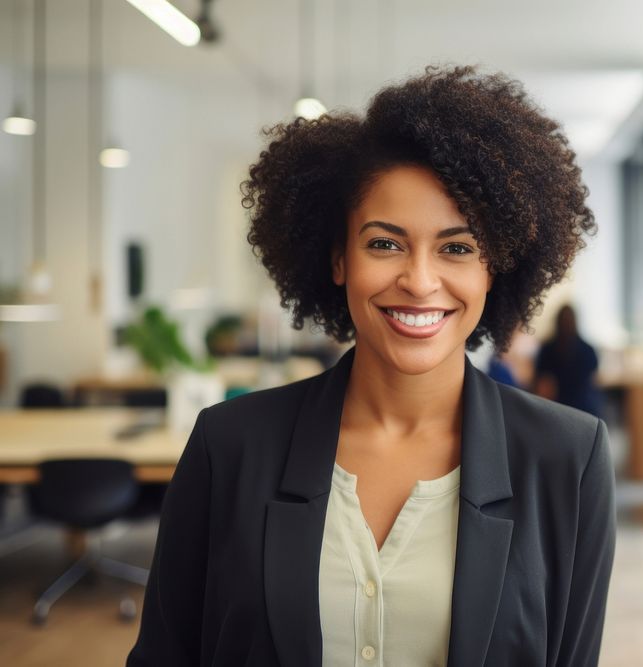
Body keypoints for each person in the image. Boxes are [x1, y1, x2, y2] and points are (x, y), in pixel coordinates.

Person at [127, 65, 616, 667]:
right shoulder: (229, 446)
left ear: (495, 270)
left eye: (457, 248)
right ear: (339, 259)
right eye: (385, 243)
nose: (419, 281)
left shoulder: (567, 457)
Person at [533, 304, 603, 419]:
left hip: (557, 410)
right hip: (584, 410)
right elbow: (594, 380)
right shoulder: (588, 350)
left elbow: (542, 384)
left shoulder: (548, 349)